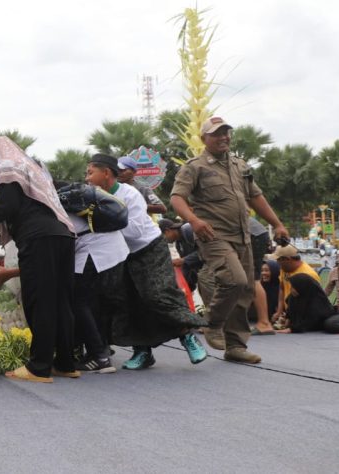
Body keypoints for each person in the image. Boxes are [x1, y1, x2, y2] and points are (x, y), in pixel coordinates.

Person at [170, 116, 289, 363]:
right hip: (213, 235)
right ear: (204, 139)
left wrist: (277, 224)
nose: (224, 137)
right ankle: (213, 322)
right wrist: (194, 220)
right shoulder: (194, 167)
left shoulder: (240, 166)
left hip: (243, 235)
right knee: (234, 280)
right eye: (216, 133)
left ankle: (235, 346)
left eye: (226, 132)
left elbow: (256, 197)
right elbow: (177, 198)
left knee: (244, 290)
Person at [0, 137, 77, 382]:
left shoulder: (9, 169)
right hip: (63, 236)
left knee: (41, 300)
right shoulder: (31, 169)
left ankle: (39, 367)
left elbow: (7, 207)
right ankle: (65, 363)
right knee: (61, 301)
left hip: (39, 238)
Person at [87, 154, 208, 370]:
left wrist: (102, 221)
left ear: (105, 173)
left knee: (158, 295)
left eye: (90, 173)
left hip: (149, 249)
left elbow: (134, 231)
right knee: (129, 302)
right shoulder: (91, 196)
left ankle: (187, 336)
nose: (87, 178)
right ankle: (142, 352)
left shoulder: (130, 194)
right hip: (122, 255)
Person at [66, 201, 129, 374]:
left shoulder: (53, 205)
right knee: (94, 302)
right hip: (114, 247)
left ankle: (99, 357)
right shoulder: (70, 200)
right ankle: (101, 349)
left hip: (94, 250)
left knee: (79, 302)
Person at [274, 244, 322, 326]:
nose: (277, 263)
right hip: (289, 314)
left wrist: (291, 320)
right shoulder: (285, 268)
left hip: (304, 318)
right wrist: (279, 311)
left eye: (278, 260)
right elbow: (282, 288)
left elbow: (311, 304)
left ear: (287, 259)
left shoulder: (308, 274)